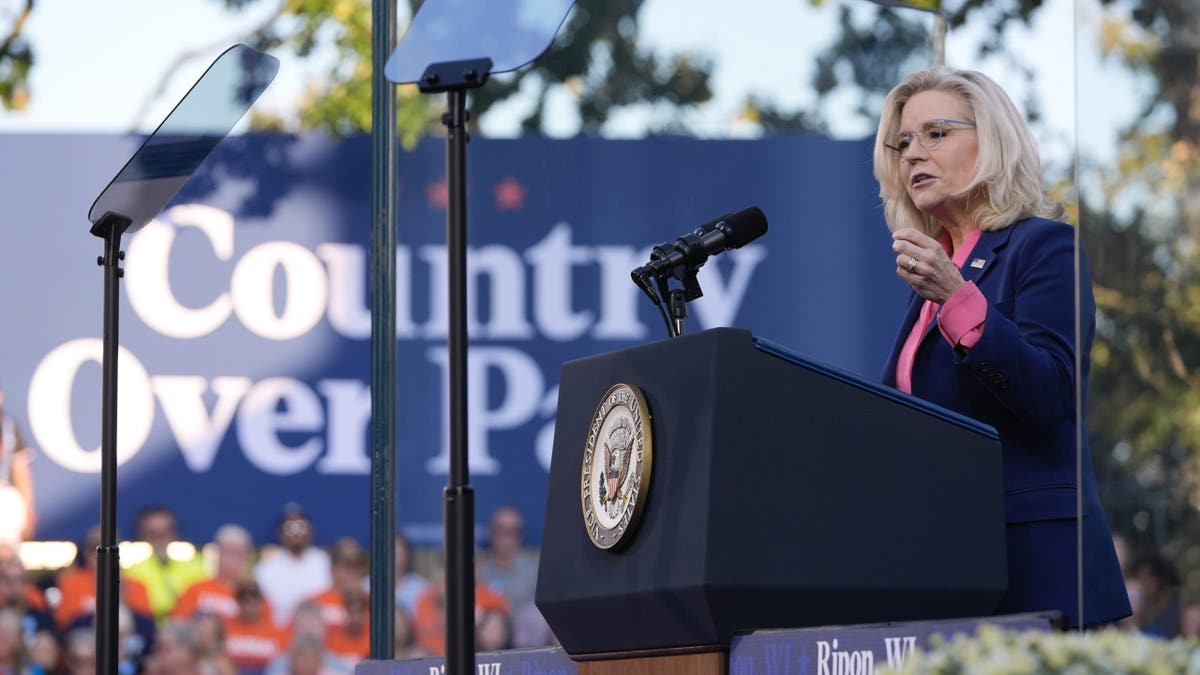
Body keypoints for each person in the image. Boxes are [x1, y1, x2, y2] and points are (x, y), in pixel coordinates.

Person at [874, 66, 1130, 628]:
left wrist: (959, 300)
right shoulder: (938, 273)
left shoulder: (1044, 247)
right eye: (903, 142)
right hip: (947, 564)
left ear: (992, 142)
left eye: (935, 134)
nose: (913, 153)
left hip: (1032, 565)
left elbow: (1048, 393)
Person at [124, 505, 209, 622]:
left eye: (165, 532)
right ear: (141, 535)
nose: (160, 539)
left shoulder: (196, 562)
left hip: (188, 629)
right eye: (153, 534)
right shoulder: (128, 565)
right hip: (145, 628)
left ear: (174, 533)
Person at [255, 506, 330, 627]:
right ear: (280, 533)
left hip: (321, 632)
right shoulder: (265, 568)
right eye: (289, 527)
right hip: (280, 633)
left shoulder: (326, 563)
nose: (295, 532)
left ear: (311, 531)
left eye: (301, 526)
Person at [173, 525, 266, 621]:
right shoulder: (196, 590)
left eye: (237, 553)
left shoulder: (253, 597)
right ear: (217, 554)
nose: (231, 558)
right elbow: (177, 625)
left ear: (247, 558)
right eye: (227, 552)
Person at [0, 384, 36, 545]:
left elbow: (20, 470)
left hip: (4, 497)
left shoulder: (9, 426)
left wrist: (28, 514)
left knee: (8, 553)